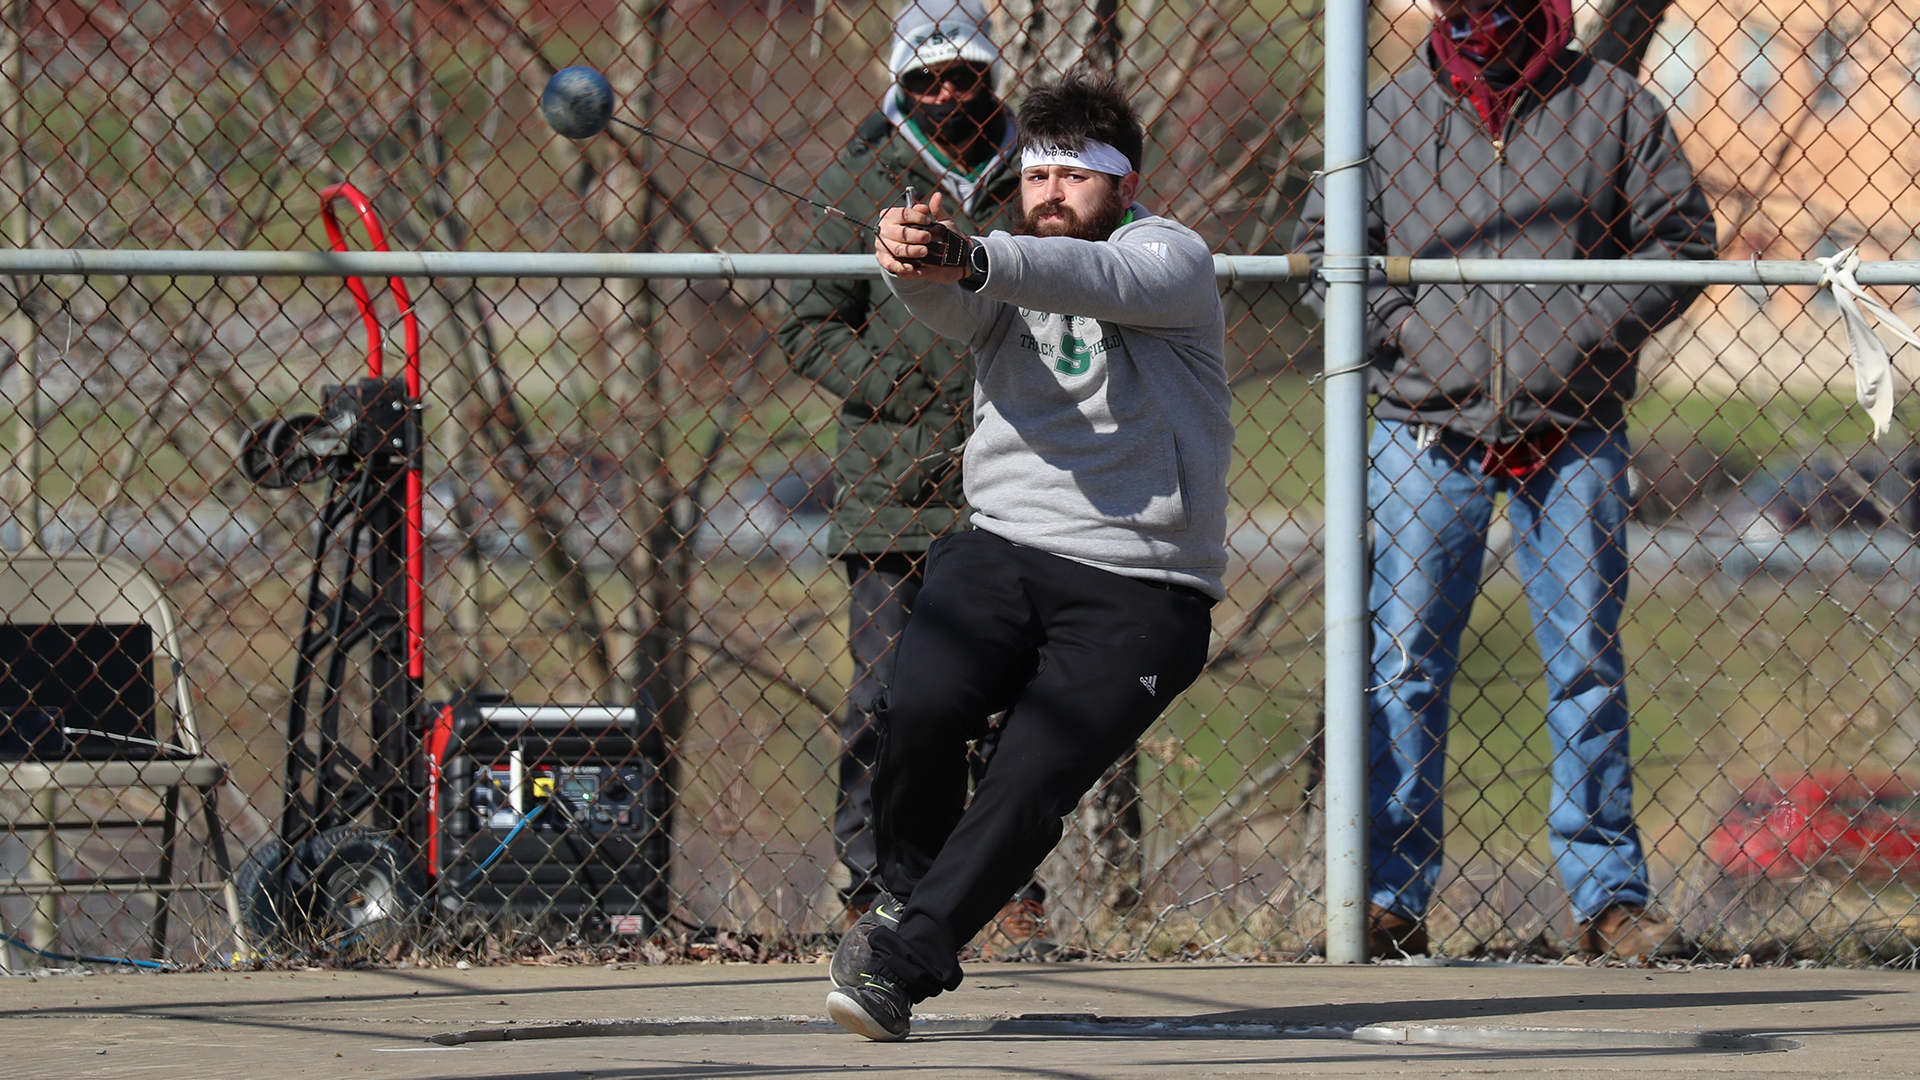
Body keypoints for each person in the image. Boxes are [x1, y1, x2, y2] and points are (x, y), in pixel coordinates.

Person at [1296, 0, 1716, 959]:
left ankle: (1609, 899)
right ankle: (1390, 898)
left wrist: (1572, 336)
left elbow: (1683, 245)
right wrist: (1414, 335)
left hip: (1576, 427)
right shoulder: (1385, 113)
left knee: (1585, 667)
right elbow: (1328, 258)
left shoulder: (1614, 106)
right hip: (1421, 427)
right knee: (1403, 667)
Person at [822, 72, 1231, 1042]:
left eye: (1077, 176)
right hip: (1002, 553)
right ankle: (906, 893)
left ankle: (905, 964)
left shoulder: (1168, 257)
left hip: (1144, 588)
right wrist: (905, 256)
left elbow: (1100, 282)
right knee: (912, 707)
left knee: (1028, 774)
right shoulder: (999, 275)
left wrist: (973, 255)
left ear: (1126, 185)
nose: (1051, 192)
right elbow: (943, 299)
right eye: (1037, 173)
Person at [775, 0, 1047, 954]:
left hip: (1023, 475)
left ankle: (1007, 889)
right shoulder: (858, 177)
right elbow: (804, 323)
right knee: (883, 696)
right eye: (923, 79)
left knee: (1013, 696)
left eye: (962, 74)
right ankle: (870, 880)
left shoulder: (1037, 175)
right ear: (899, 84)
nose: (944, 95)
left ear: (991, 73)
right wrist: (893, 385)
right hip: (893, 481)